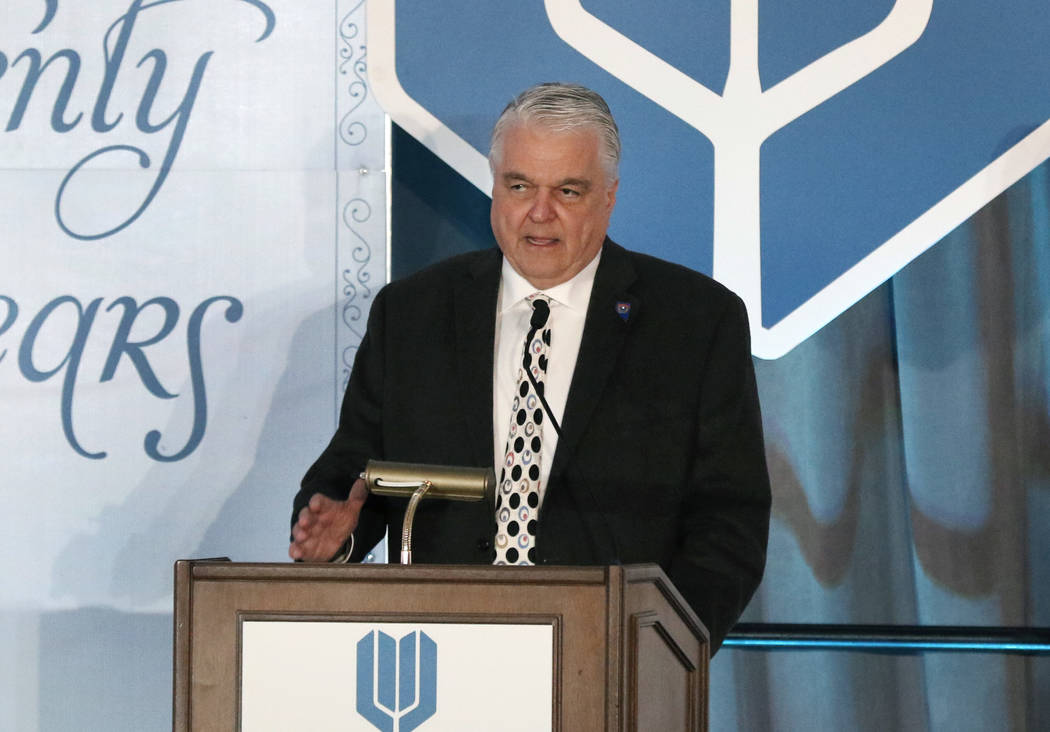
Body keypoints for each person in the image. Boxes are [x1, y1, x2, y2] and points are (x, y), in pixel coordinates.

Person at [290, 82, 770, 653]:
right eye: (519, 186)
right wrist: (334, 538)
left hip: (611, 659)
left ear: (610, 196)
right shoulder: (412, 313)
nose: (540, 213)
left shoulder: (694, 322)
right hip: (440, 653)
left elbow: (730, 522)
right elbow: (354, 473)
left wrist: (662, 645)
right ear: (494, 187)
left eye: (568, 190)